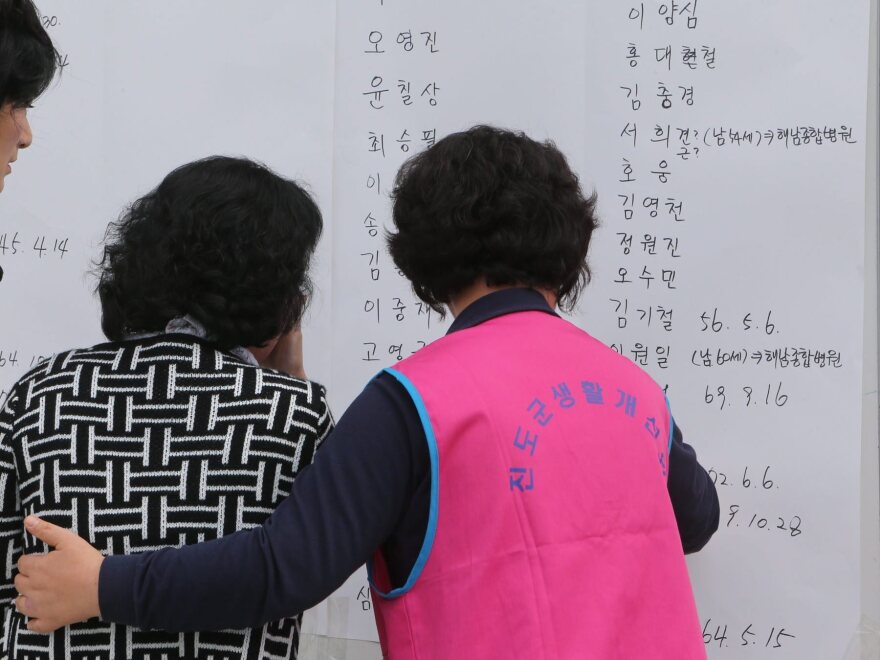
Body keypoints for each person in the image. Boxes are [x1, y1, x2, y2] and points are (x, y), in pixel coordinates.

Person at [15, 127, 719, 659]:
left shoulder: (413, 400)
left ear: (423, 259)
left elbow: (286, 565)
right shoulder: (632, 389)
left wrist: (107, 585)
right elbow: (696, 518)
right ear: (570, 248)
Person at [1, 156, 332, 658]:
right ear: (276, 290)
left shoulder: (40, 391)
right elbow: (303, 570)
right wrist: (291, 383)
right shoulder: (295, 414)